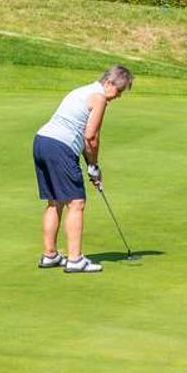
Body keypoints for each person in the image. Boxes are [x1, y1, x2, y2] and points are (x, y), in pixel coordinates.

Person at [32, 65, 133, 274]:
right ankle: (75, 259)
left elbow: (86, 139)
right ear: (109, 83)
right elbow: (91, 137)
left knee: (55, 201)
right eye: (119, 90)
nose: (118, 96)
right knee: (76, 202)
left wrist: (91, 165)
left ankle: (50, 255)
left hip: (42, 142)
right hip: (60, 147)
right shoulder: (99, 97)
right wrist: (94, 166)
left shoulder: (82, 90)